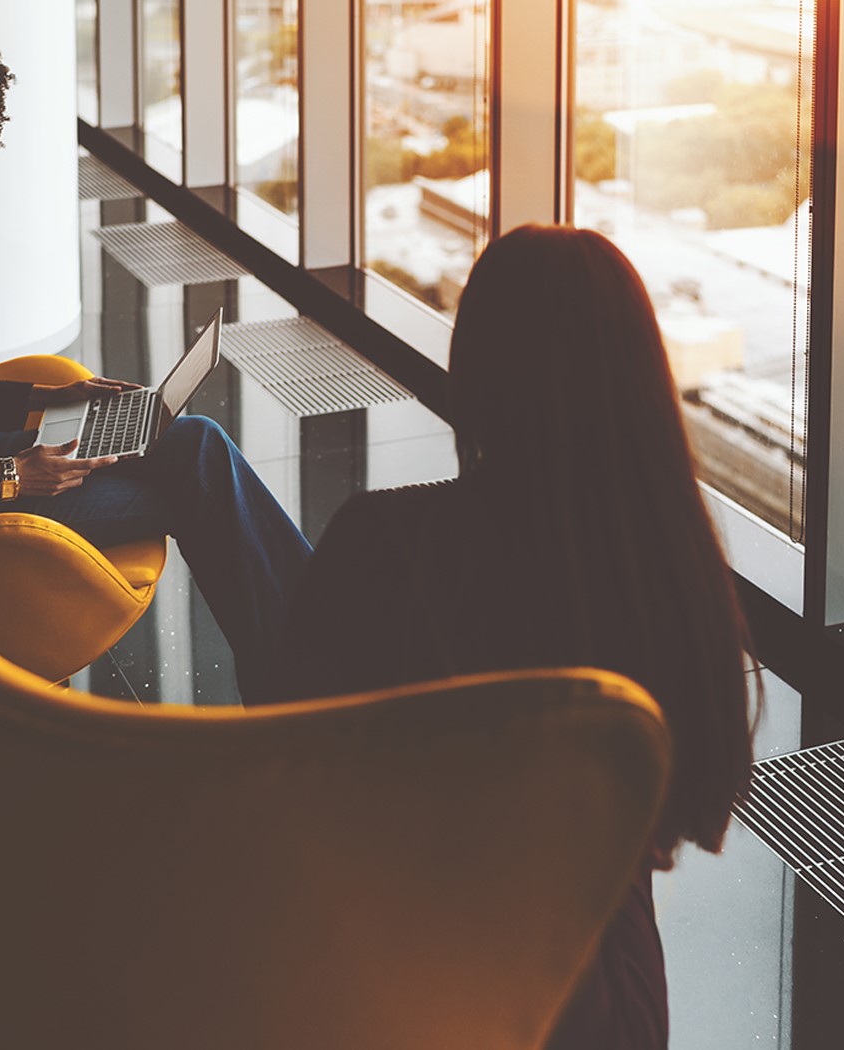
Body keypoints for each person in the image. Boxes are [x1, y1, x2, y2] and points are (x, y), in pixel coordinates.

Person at [253, 224, 759, 1049]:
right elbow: (691, 804)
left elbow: (291, 764)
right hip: (599, 999)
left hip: (402, 975)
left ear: (477, 373)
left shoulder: (383, 539)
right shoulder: (670, 565)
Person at [0, 27, 310, 671]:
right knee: (203, 488)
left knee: (198, 438)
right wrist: (16, 476)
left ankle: (312, 635)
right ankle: (308, 656)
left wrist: (56, 396)